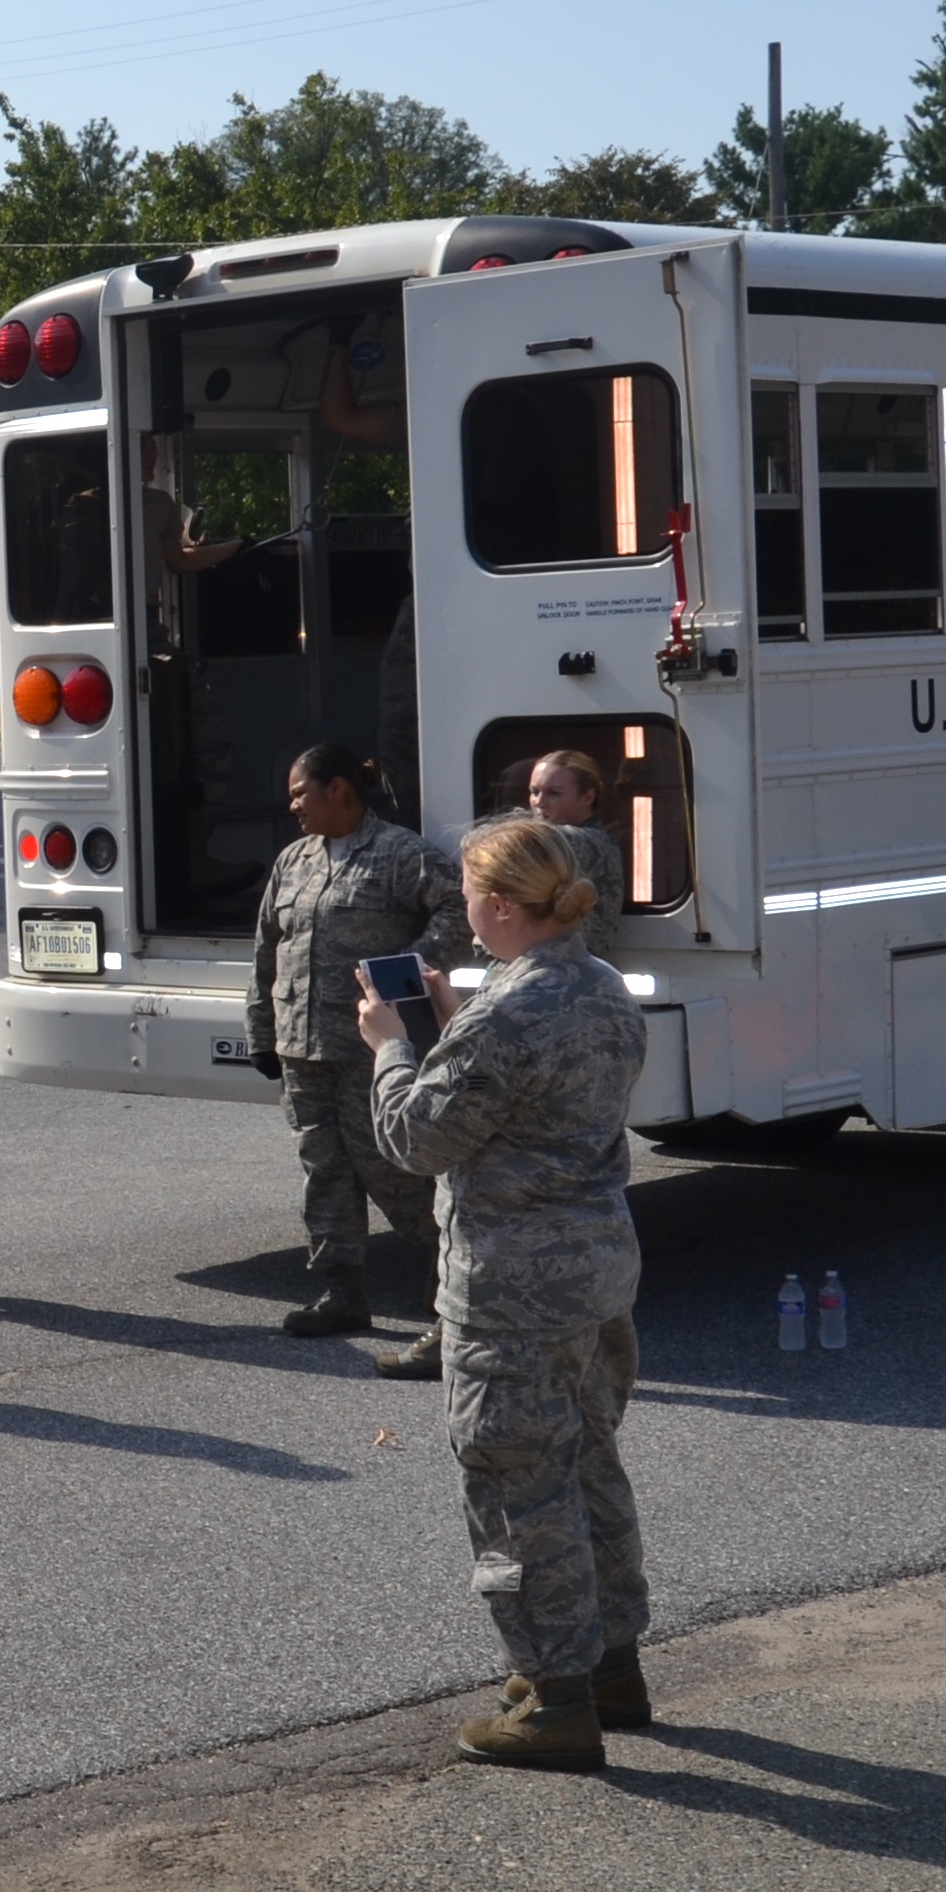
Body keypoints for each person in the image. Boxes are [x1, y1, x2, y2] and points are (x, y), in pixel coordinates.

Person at [358, 817, 649, 1773]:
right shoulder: (600, 987)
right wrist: (447, 1032)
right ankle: (609, 1666)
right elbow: (526, 1103)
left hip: (512, 1289)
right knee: (590, 1468)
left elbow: (418, 1140)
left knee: (519, 1487)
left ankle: (554, 1698)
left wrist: (392, 1047)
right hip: (594, 1273)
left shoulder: (506, 1015)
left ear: (494, 905)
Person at [250, 740, 466, 1343]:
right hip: (303, 1046)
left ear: (338, 789)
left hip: (371, 1047)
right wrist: (261, 1031)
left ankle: (449, 1268)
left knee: (388, 1166)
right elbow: (267, 949)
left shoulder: (399, 854)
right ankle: (340, 1291)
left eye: (299, 792)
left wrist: (406, 970)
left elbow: (458, 910)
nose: (292, 805)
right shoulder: (293, 861)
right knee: (323, 1171)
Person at [520, 747, 631, 957]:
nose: (539, 802)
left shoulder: (588, 842)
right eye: (534, 792)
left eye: (554, 793)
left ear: (588, 797)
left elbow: (523, 841)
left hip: (569, 965)